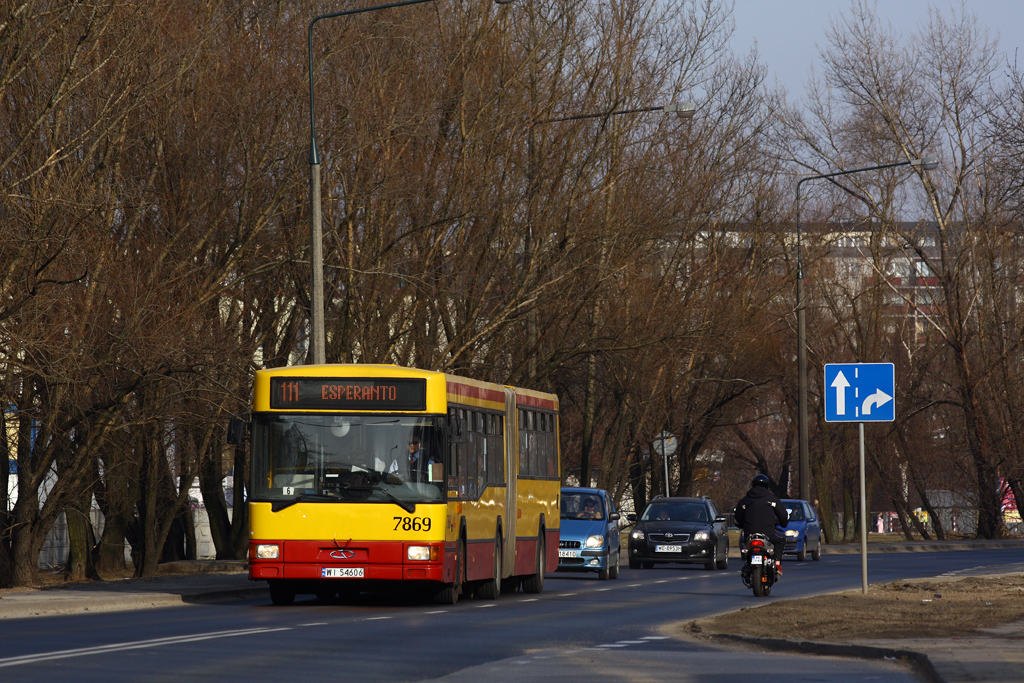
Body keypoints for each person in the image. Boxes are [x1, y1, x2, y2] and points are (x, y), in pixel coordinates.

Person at [734, 474, 789, 576]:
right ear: (766, 486)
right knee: (781, 538)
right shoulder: (772, 500)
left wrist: (743, 525)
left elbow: (737, 520)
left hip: (750, 534)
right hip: (769, 534)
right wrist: (782, 522)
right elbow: (784, 516)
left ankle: (748, 562)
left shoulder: (744, 501)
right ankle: (777, 564)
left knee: (746, 546)